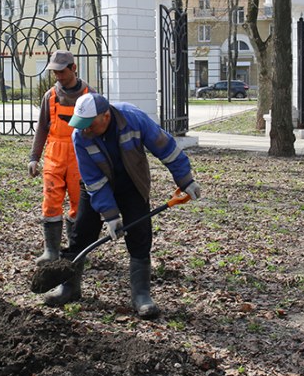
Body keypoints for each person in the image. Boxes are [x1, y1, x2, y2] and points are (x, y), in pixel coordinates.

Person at [43, 92, 201, 319]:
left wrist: (185, 180)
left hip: (132, 182)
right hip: (96, 185)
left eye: (89, 124)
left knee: (139, 235)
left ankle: (141, 296)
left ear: (105, 116)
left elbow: (165, 147)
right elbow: (94, 182)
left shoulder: (133, 118)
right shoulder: (80, 136)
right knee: (81, 234)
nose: (84, 129)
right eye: (81, 125)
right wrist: (110, 215)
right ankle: (69, 287)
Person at [28, 49, 92, 264]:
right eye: (55, 72)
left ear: (73, 68)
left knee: (79, 205)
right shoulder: (50, 96)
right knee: (51, 201)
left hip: (80, 159)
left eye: (62, 72)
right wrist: (34, 157)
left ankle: (77, 251)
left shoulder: (89, 95)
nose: (58, 76)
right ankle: (51, 251)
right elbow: (41, 129)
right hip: (54, 157)